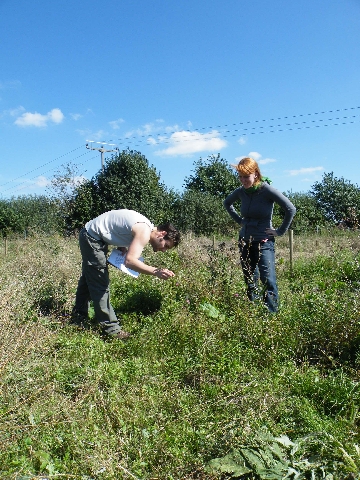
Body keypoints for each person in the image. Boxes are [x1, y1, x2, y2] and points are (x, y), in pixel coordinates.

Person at [72, 209, 181, 339]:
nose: (163, 250)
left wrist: (121, 245)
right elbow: (130, 261)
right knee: (100, 283)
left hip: (92, 235)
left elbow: (120, 226)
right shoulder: (144, 232)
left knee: (89, 278)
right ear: (162, 234)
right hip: (92, 238)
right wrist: (156, 272)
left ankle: (78, 317)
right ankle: (111, 330)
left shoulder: (145, 225)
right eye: (166, 246)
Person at [224, 157, 296, 313]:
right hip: (245, 240)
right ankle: (253, 311)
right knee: (250, 278)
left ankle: (271, 315)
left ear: (255, 174)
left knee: (267, 279)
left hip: (264, 242)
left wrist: (280, 231)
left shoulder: (266, 190)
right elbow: (227, 203)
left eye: (246, 176)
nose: (243, 180)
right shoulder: (241, 192)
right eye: (240, 176)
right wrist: (239, 220)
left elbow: (290, 209)